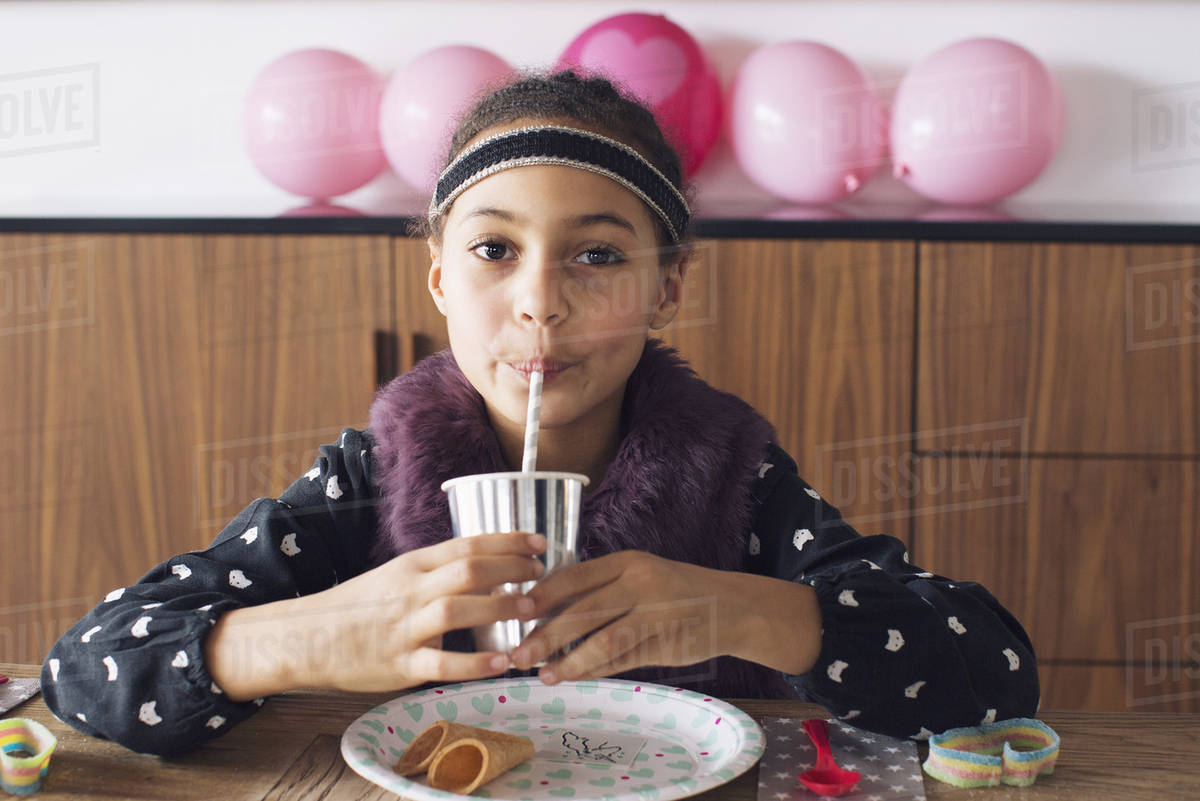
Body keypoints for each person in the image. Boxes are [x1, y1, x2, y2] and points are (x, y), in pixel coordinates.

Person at [41, 69, 1039, 757]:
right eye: (493, 251)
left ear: (666, 290)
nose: (540, 301)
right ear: (437, 278)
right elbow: (87, 672)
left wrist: (745, 610)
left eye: (599, 256)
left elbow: (993, 672)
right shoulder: (367, 485)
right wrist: (302, 639)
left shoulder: (738, 484)